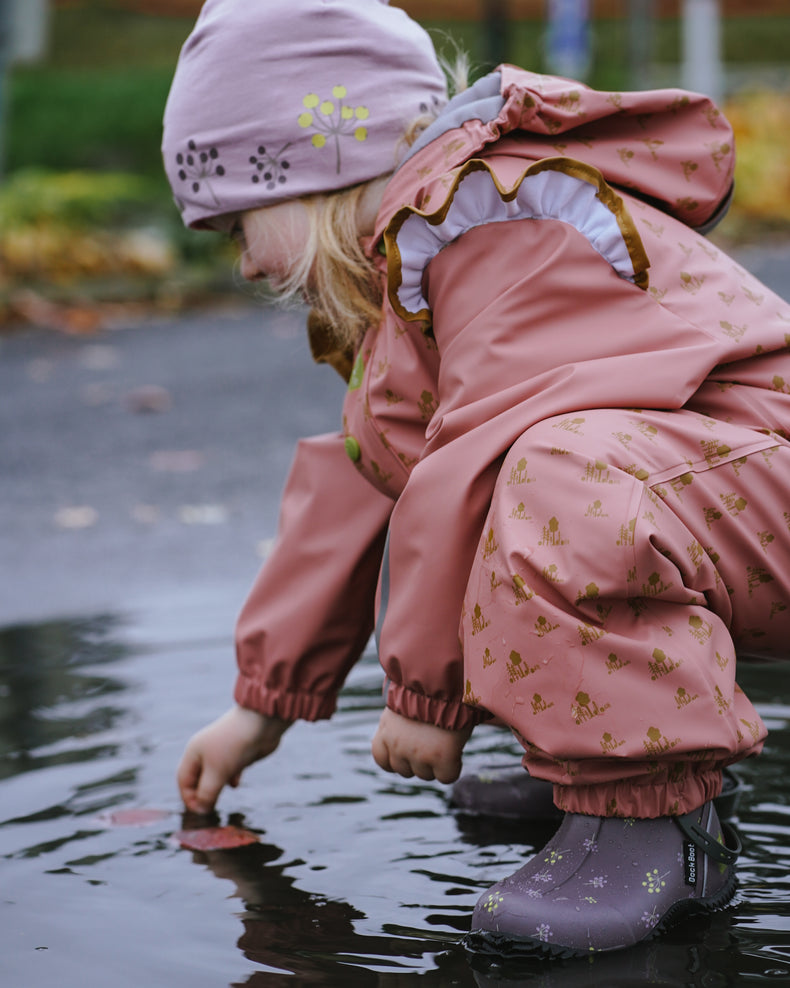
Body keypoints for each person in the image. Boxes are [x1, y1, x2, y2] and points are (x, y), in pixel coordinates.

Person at [161, 0, 790, 958]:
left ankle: (656, 830)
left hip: (760, 481)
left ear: (317, 164)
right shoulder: (416, 274)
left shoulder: (495, 218)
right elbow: (372, 481)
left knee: (550, 481)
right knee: (516, 489)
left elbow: (479, 448)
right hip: (706, 501)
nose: (245, 265)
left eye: (239, 226)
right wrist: (260, 702)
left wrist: (425, 696)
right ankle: (596, 764)